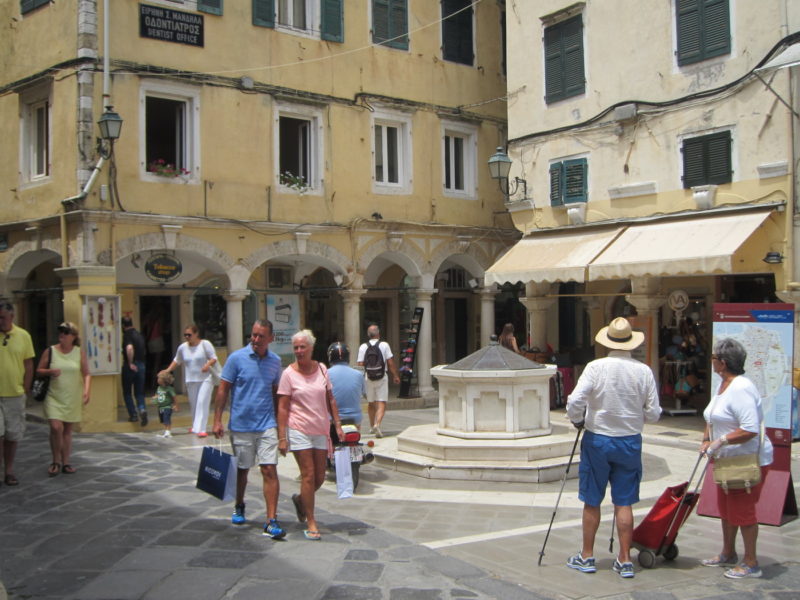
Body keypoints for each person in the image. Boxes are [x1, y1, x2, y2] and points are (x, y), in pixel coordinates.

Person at [566, 317, 661, 579]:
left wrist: (577, 419)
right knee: (624, 500)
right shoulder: (643, 371)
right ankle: (624, 558)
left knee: (592, 499)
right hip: (629, 440)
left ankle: (587, 555)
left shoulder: (596, 367)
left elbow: (575, 399)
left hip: (598, 439)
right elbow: (653, 413)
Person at [699, 337, 773, 579]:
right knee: (726, 508)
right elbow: (712, 416)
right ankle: (727, 552)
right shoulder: (722, 385)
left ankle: (751, 561)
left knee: (743, 510)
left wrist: (721, 441)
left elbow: (749, 428)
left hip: (744, 460)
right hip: (725, 460)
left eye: (712, 358)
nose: (710, 361)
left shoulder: (741, 388)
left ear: (721, 362)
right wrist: (706, 439)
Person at [212, 319, 286, 539]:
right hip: (241, 424)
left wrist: (280, 428)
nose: (255, 339)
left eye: (261, 336)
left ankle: (271, 520)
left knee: (269, 470)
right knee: (243, 469)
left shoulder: (275, 362)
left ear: (271, 338)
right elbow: (223, 390)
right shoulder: (236, 359)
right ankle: (239, 504)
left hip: (266, 425)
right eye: (253, 335)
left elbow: (276, 394)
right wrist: (217, 420)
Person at [277, 330, 345, 541]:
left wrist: (338, 425)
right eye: (295, 347)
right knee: (307, 475)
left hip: (321, 429)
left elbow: (330, 398)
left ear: (311, 348)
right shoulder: (288, 373)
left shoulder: (322, 369)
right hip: (298, 429)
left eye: (302, 347)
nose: (298, 351)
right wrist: (282, 436)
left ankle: (300, 500)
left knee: (319, 477)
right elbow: (282, 407)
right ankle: (311, 520)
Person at [37, 322, 91, 476]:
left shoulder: (78, 352)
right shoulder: (51, 351)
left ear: (73, 336)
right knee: (55, 427)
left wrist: (87, 391)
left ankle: (65, 462)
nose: (62, 334)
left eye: (66, 332)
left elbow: (86, 373)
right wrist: (50, 371)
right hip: (54, 396)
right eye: (60, 331)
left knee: (67, 431)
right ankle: (56, 460)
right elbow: (39, 370)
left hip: (72, 396)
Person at [0, 300, 35, 487]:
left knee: (12, 435)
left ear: (12, 317)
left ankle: (9, 470)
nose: (0, 321)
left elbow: (28, 364)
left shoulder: (23, 336)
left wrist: (26, 388)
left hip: (14, 393)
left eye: (2, 318)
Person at [164, 324, 218, 438]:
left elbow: (214, 358)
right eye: (185, 335)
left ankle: (202, 428)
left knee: (202, 402)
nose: (187, 337)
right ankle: (195, 426)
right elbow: (177, 360)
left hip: (205, 379)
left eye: (189, 335)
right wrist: (167, 370)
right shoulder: (183, 347)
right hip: (191, 379)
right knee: (194, 404)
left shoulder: (205, 344)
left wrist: (207, 365)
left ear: (196, 334)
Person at [356, 324, 399, 438]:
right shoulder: (384, 345)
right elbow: (390, 362)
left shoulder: (363, 347)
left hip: (368, 377)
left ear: (368, 335)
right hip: (381, 377)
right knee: (381, 402)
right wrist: (395, 375)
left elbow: (360, 364)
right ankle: (377, 424)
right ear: (378, 334)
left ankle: (371, 426)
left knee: (371, 403)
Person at [327, 342, 364, 430]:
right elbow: (363, 392)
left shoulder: (325, 374)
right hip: (355, 419)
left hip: (333, 419)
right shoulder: (358, 374)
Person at [121, 316, 147, 426]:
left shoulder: (127, 335)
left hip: (130, 366)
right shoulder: (139, 334)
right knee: (139, 392)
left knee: (127, 392)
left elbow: (129, 348)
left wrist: (130, 363)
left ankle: (133, 415)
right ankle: (142, 409)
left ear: (123, 326)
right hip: (141, 365)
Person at [152, 370, 177, 438]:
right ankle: (166, 431)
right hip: (160, 407)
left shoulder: (169, 389)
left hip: (167, 407)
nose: (157, 380)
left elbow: (174, 396)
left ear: (164, 380)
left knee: (167, 418)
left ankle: (168, 432)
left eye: (159, 378)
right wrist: (155, 398)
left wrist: (175, 405)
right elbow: (157, 394)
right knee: (163, 419)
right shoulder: (159, 388)